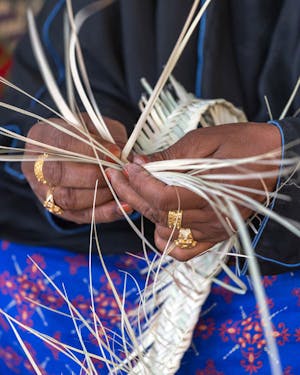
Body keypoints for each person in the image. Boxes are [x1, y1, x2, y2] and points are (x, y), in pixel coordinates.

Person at [0, 1, 299, 374]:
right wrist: (57, 153)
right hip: (102, 252)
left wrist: (285, 160)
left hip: (277, 267)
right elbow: (42, 84)